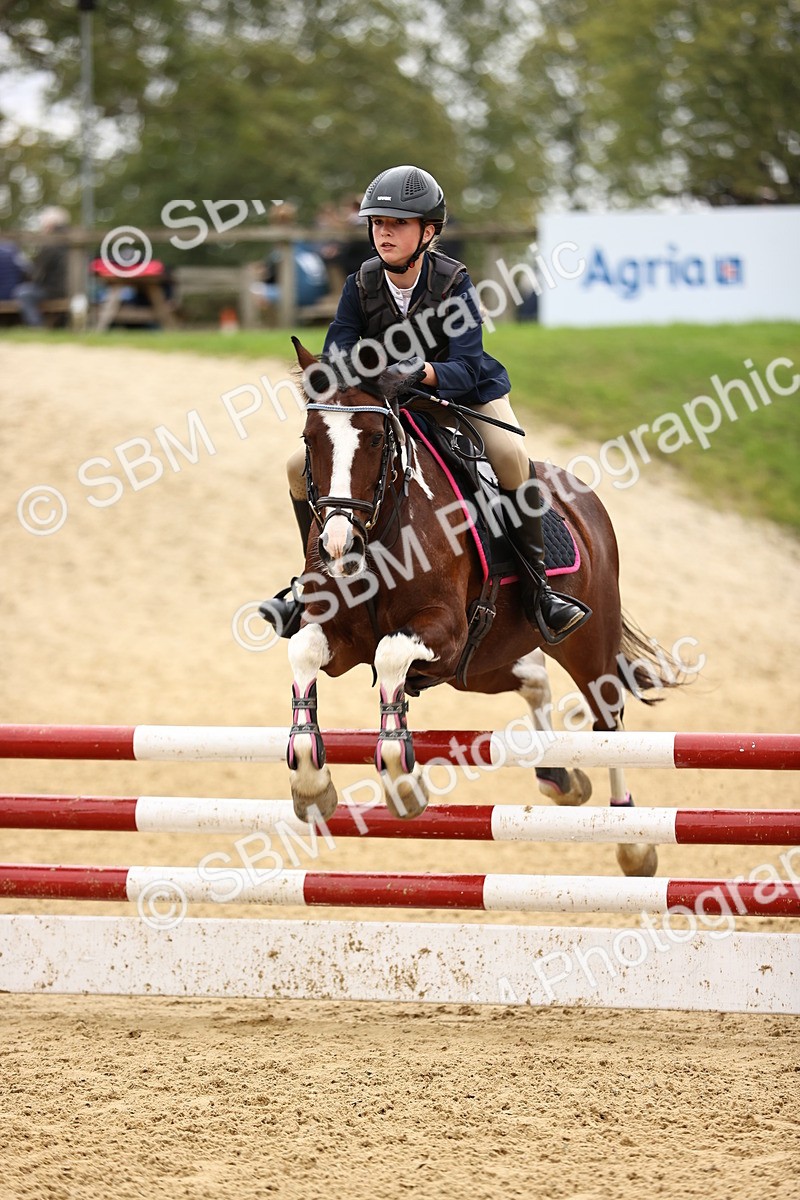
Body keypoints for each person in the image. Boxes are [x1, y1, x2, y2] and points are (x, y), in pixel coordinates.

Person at [261, 164, 590, 644]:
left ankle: (540, 590)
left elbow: (469, 365)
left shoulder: (453, 282)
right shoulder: (362, 283)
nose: (384, 233)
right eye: (377, 223)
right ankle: (313, 583)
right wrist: (345, 377)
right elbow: (338, 349)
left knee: (510, 457)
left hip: (462, 396)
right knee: (297, 467)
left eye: (397, 223)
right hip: (390, 404)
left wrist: (418, 372)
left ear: (428, 231)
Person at [14, 206, 70, 326]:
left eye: (43, 225)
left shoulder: (50, 243)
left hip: (55, 290)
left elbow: (37, 274)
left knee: (23, 292)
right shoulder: (72, 240)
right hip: (75, 289)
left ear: (49, 225)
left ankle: (36, 327)